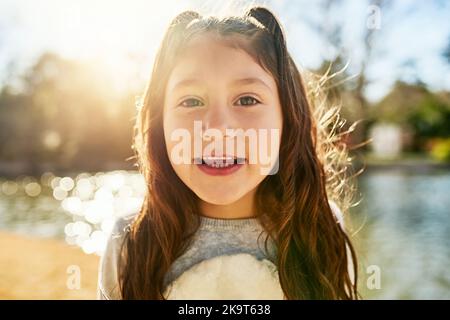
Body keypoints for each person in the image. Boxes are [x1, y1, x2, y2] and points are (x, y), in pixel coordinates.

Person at [97, 5, 358, 300]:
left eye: (247, 99)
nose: (218, 128)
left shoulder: (320, 226)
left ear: (287, 118)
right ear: (161, 124)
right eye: (192, 101)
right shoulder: (131, 240)